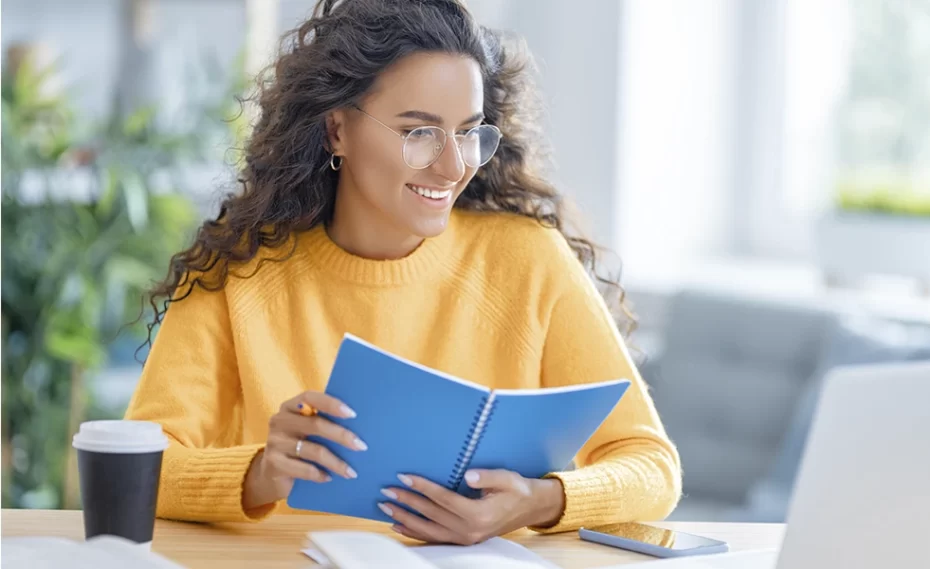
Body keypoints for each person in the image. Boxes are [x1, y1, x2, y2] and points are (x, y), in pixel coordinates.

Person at [125, 0, 681, 545]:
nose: (453, 164)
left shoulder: (531, 261)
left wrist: (538, 502)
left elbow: (651, 465)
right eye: (419, 132)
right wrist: (261, 472)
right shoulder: (240, 274)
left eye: (468, 131)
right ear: (337, 130)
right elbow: (137, 461)